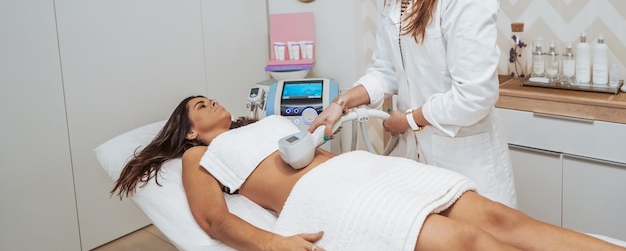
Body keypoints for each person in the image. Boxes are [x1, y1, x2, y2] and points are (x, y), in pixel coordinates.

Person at [112, 96, 625, 251]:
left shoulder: (268, 120)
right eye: (199, 104)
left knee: (499, 218)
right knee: (466, 242)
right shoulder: (200, 157)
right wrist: (272, 244)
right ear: (191, 130)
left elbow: (309, 142)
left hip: (364, 171)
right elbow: (211, 219)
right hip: (331, 199)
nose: (211, 100)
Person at [309, 0, 516, 207]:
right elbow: (386, 71)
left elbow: (475, 96)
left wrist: (408, 119)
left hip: (467, 166)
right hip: (417, 164)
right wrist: (342, 103)